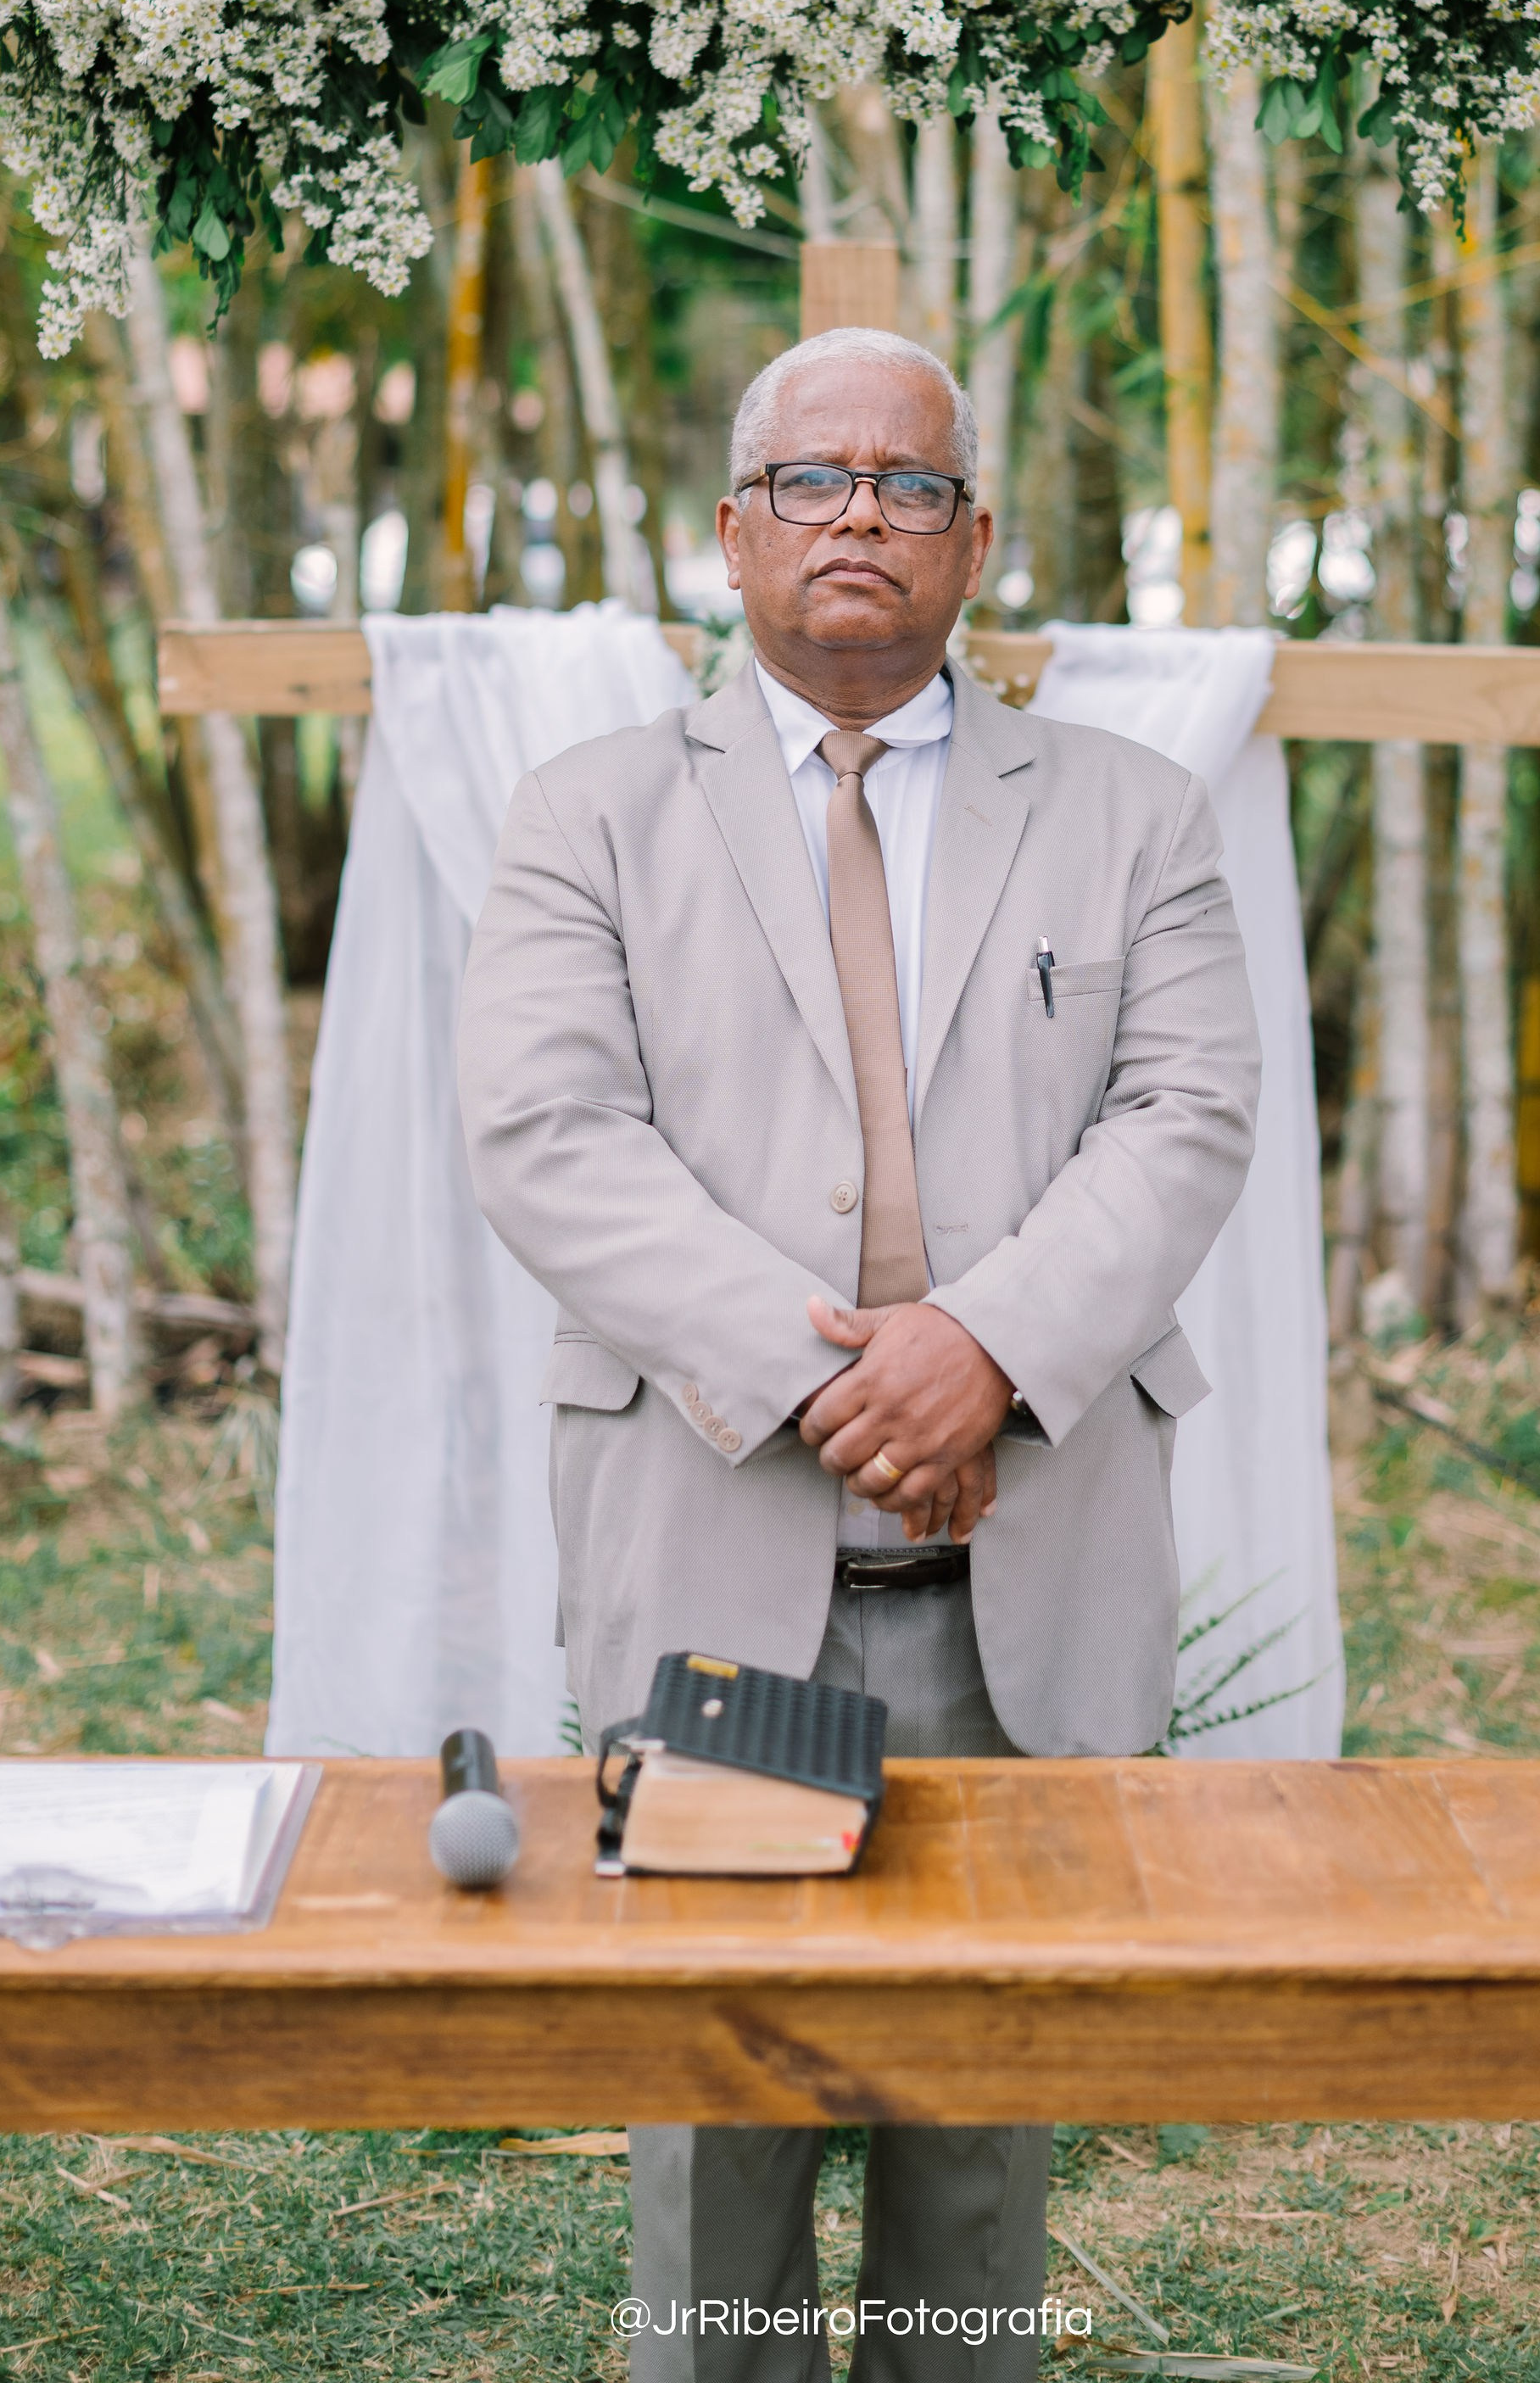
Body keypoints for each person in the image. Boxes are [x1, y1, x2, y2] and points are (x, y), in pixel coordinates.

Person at [457, 326, 1260, 2383]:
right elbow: (549, 1136)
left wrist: (982, 1349)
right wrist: (845, 1385)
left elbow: (1183, 1117)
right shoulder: (589, 815)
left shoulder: (1133, 814)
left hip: (1021, 1564)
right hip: (722, 1542)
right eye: (811, 482)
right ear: (732, 533)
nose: (859, 520)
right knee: (717, 2120)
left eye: (908, 487)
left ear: (974, 539)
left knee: (974, 2135)